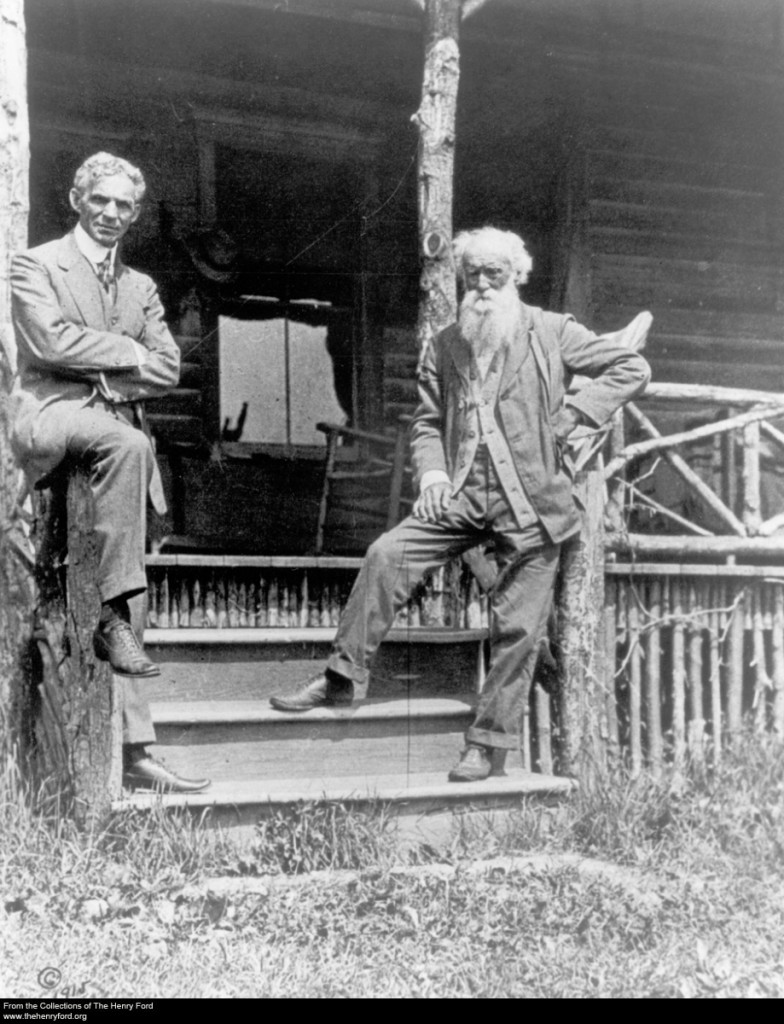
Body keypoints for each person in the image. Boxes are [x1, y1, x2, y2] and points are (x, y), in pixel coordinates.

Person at [269, 226, 651, 782]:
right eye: (471, 275)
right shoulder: (446, 343)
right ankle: (341, 677)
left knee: (518, 628)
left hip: (534, 505)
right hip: (461, 495)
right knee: (386, 553)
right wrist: (431, 475)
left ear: (516, 275)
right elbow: (426, 422)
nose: (481, 286)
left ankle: (486, 743)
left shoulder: (552, 331)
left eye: (493, 274)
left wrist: (573, 416)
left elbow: (630, 367)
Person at [10, 152, 209, 793]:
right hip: (54, 422)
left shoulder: (141, 287)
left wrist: (94, 355)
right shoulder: (34, 264)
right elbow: (47, 343)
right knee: (127, 449)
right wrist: (124, 356)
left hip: (119, 447)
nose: (112, 214)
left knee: (126, 582)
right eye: (101, 200)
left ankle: (135, 747)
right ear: (76, 198)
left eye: (125, 206)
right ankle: (110, 645)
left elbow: (169, 367)